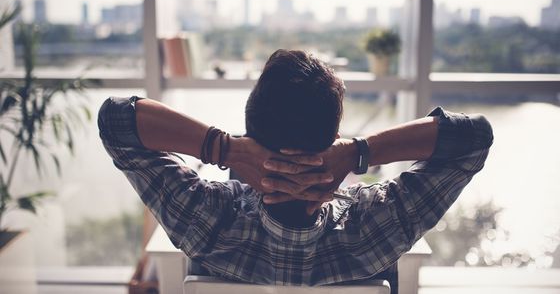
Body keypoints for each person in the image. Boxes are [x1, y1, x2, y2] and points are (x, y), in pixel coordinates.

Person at [98, 49, 493, 292]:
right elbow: (474, 137)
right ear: (334, 138)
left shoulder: (205, 220)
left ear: (251, 134)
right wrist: (358, 153)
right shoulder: (376, 227)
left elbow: (116, 120)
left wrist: (226, 149)